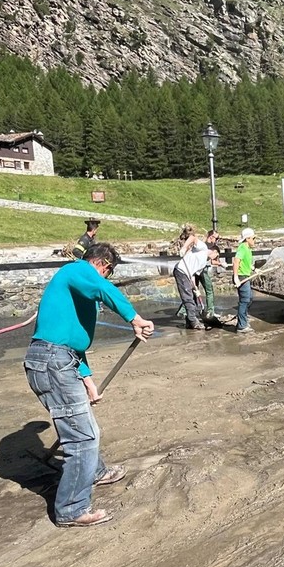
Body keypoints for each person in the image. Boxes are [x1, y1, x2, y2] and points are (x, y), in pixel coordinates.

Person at [23, 242, 155, 527]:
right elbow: (104, 290)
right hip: (52, 362)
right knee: (82, 437)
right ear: (103, 265)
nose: (106, 278)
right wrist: (134, 318)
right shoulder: (77, 270)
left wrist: (88, 381)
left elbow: (71, 340)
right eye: (108, 272)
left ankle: (96, 472)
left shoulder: (75, 286)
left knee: (83, 426)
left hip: (57, 360)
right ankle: (71, 509)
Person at [174, 225, 211, 330]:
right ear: (213, 252)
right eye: (216, 256)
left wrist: (195, 288)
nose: (215, 259)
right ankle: (193, 321)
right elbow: (193, 238)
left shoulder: (203, 264)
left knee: (192, 296)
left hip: (187, 274)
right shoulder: (203, 248)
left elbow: (193, 275)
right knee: (188, 297)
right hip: (181, 271)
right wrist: (184, 248)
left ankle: (189, 321)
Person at [233, 227, 256, 333]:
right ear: (247, 238)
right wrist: (236, 277)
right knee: (244, 301)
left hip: (246, 275)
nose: (254, 240)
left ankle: (243, 320)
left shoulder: (248, 249)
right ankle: (242, 326)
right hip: (242, 277)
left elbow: (246, 263)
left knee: (249, 299)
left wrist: (254, 269)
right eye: (253, 238)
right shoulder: (242, 248)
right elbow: (236, 261)